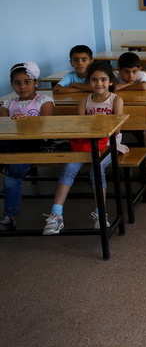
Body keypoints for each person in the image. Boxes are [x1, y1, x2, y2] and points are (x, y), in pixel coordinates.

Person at [42, 61, 129, 235]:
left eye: (103, 80)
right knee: (69, 168)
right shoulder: (84, 102)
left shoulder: (116, 100)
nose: (99, 84)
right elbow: (82, 127)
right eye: (94, 80)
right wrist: (93, 129)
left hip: (110, 143)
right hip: (87, 143)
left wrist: (95, 126)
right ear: (89, 82)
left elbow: (117, 128)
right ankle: (56, 215)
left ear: (110, 82)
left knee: (96, 170)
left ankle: (100, 214)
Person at [0, 62, 54, 231]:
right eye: (17, 83)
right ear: (12, 84)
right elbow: (3, 126)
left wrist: (27, 123)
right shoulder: (7, 104)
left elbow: (46, 127)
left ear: (36, 83)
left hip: (34, 145)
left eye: (27, 82)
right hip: (10, 144)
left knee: (12, 174)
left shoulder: (44, 101)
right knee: (11, 174)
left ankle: (9, 215)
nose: (22, 87)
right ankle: (9, 215)